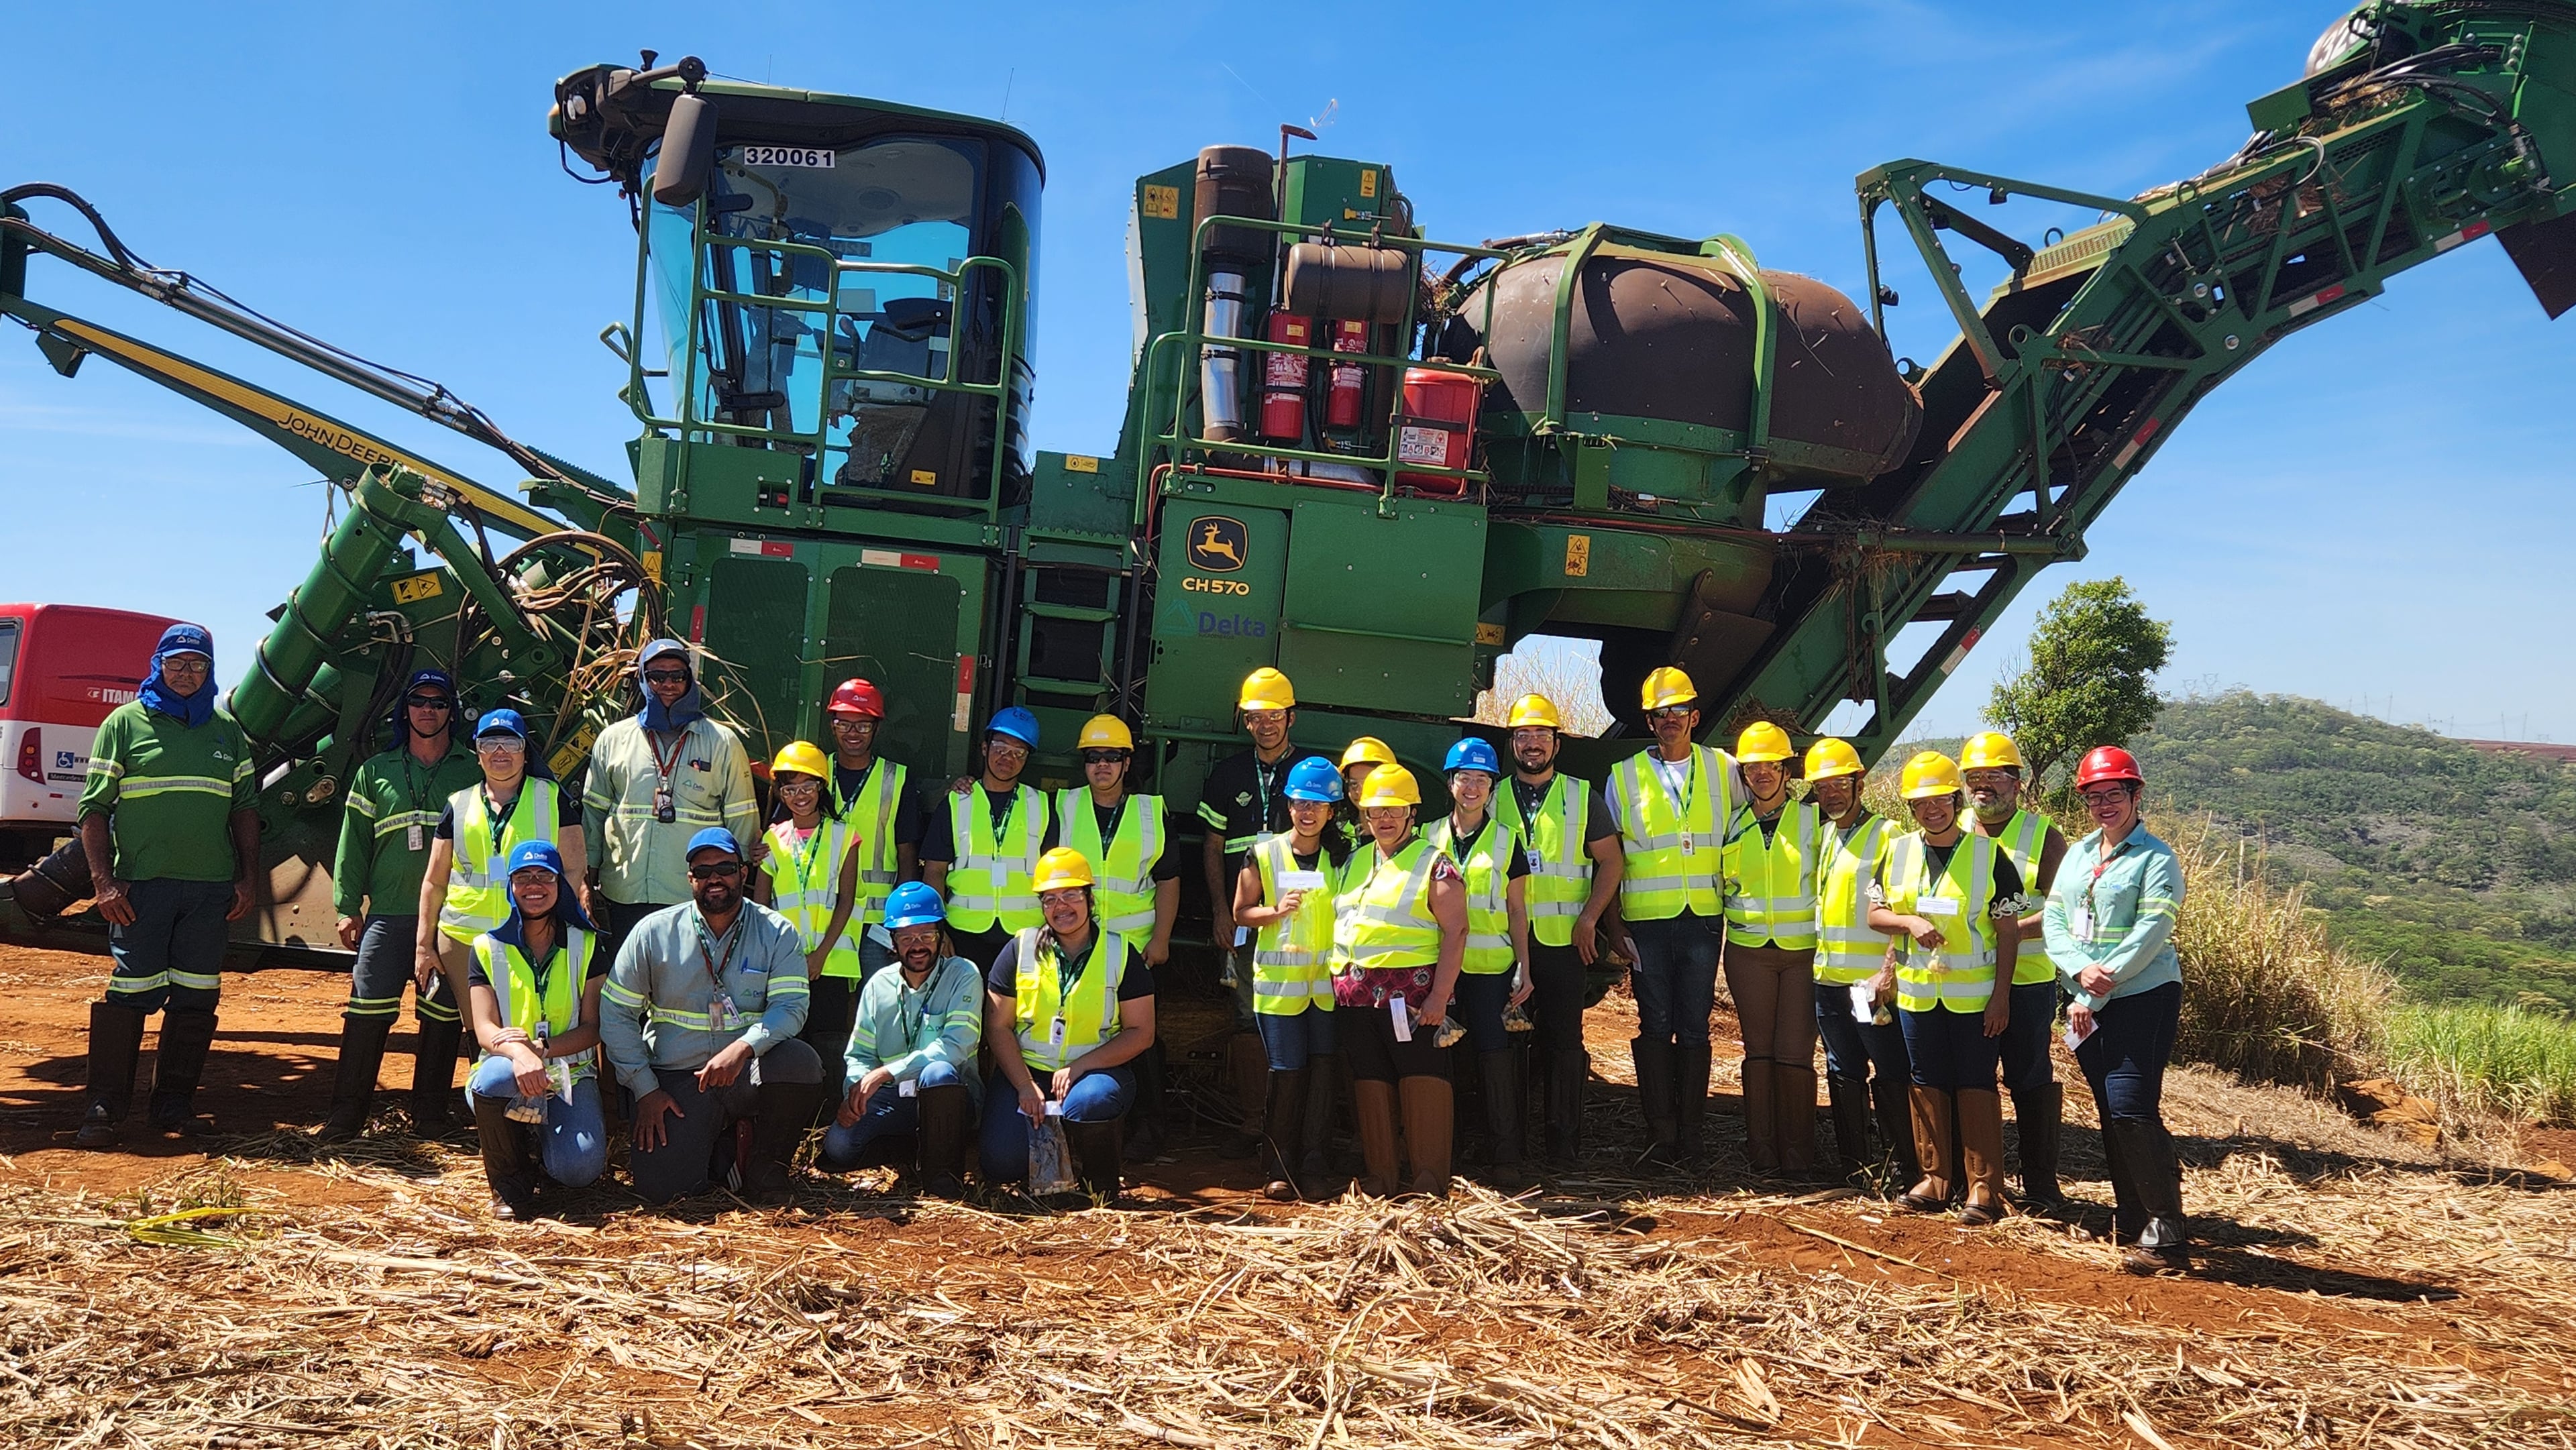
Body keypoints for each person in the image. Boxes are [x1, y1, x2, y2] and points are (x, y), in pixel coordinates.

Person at [72, 623, 259, 1148]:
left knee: (196, 998)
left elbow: (245, 809)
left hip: (209, 892)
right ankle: (105, 1107)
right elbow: (93, 810)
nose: (185, 673)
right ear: (158, 665)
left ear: (210, 671)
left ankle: (174, 1105)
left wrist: (248, 878)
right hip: (142, 890)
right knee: (130, 993)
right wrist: (104, 883)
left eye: (197, 665)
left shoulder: (226, 731)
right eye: (175, 663)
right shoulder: (124, 724)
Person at [599, 828, 824, 1204]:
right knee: (664, 1194)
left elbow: (791, 1007)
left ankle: (766, 1170)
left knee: (800, 1063)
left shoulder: (777, 932)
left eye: (725, 868)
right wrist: (645, 1089)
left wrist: (743, 1048)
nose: (714, 879)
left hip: (745, 1071)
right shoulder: (653, 933)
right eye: (703, 872)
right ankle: (728, 1149)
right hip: (678, 1079)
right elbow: (616, 1013)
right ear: (690, 879)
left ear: (743, 873)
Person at [2044, 746, 2190, 1274]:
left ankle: (2168, 1236)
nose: (2104, 805)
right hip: (2086, 998)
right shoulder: (2079, 855)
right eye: (2094, 796)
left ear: (2136, 794)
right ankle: (2133, 1214)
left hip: (2141, 997)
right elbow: (2054, 921)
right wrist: (2079, 971)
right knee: (2111, 1108)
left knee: (2131, 1106)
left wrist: (2091, 991)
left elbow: (2150, 934)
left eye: (2114, 794)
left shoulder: (2157, 859)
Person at [321, 668, 482, 1143]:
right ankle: (346, 1115)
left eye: (438, 702)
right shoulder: (376, 772)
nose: (428, 710)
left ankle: (429, 1115)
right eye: (419, 701)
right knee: (367, 1009)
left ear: (452, 712)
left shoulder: (472, 770)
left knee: (442, 1015)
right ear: (404, 710)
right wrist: (347, 906)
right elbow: (354, 845)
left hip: (451, 919)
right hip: (389, 915)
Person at [1868, 752, 2023, 1225]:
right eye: (1921, 803)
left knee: (1976, 1082)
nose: (1931, 810)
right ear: (1911, 808)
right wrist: (1909, 922)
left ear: (1956, 801)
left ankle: (1984, 1188)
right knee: (1926, 1080)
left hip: (1974, 998)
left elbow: (2009, 932)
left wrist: (2001, 996)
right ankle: (1934, 1179)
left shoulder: (1989, 856)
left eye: (1940, 800)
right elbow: (1875, 914)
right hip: (1918, 997)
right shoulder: (1896, 852)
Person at [415, 710, 582, 1132]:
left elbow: (574, 868)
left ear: (526, 751)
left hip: (531, 935)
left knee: (526, 1026)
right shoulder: (458, 804)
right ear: (477, 753)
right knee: (482, 1034)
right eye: (489, 743)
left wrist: (564, 924)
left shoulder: (551, 797)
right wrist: (424, 944)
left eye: (510, 742)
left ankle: (537, 1116)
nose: (500, 751)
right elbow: (434, 880)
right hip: (465, 940)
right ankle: (495, 1125)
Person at [1605, 666, 1737, 1166]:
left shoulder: (1724, 769)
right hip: (1647, 924)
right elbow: (1610, 857)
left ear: (1695, 716)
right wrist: (1614, 924)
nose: (1670, 719)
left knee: (1696, 1026)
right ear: (1649, 721)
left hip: (1702, 919)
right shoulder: (1623, 776)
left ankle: (1693, 1134)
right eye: (1660, 713)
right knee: (1655, 1023)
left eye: (1679, 710)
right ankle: (1660, 1133)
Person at [1491, 693, 1623, 1173]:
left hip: (1565, 943)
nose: (1533, 744)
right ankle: (1509, 1142)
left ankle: (1563, 1145)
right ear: (1512, 743)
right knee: (1507, 1043)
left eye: (1542, 735)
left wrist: (1590, 918)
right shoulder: (1491, 797)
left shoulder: (1582, 796)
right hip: (1508, 945)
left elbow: (1611, 861)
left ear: (1557, 744)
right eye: (1524, 735)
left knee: (1565, 1043)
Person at [981, 847, 1159, 1199]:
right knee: (1002, 1163)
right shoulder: (1019, 949)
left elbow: (1142, 1033)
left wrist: (1080, 1066)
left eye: (1071, 895)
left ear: (1090, 899)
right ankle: (1053, 1150)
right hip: (1029, 1072)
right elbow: (998, 1026)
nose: (1061, 907)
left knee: (1091, 1103)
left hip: (1094, 1074)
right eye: (1050, 899)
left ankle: (1099, 1182)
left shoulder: (1121, 952)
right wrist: (1024, 1084)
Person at [1332, 765, 1468, 1197]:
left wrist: (1440, 997)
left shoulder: (1435, 864)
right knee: (1371, 1080)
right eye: (1376, 811)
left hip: (1411, 1000)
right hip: (1356, 1000)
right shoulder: (1355, 861)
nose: (1385, 819)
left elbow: (1457, 931)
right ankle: (1381, 1179)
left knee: (1422, 1077)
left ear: (1412, 813)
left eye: (1395, 810)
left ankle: (1428, 1182)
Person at [1054, 714, 1180, 1158]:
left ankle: (1149, 1129)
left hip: (1135, 950)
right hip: (1080, 945)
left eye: (1112, 757)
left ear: (1127, 763)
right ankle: (1089, 1123)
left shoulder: (1151, 811)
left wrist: (1161, 939)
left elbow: (1168, 879)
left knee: (1141, 1038)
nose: (1102, 766)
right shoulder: (1063, 807)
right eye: (1093, 758)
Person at [462, 840, 609, 1219]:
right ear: (510, 885)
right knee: (491, 1081)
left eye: (545, 876)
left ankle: (540, 1145)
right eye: (523, 877)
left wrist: (540, 1050)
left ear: (560, 884)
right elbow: (484, 1027)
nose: (534, 885)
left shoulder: (587, 945)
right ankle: (509, 1185)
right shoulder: (486, 947)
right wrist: (520, 1054)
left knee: (579, 1169)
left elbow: (593, 1028)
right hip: (508, 1069)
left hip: (569, 1074)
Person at [583, 640, 759, 945]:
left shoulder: (722, 742)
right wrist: (587, 877)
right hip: (625, 892)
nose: (668, 684)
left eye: (677, 676)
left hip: (691, 895)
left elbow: (741, 817)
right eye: (657, 676)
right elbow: (593, 814)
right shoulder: (613, 740)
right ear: (643, 678)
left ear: (689, 680)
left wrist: (734, 885)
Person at [1961, 730, 2072, 1211]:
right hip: (1964, 983)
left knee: (2029, 1077)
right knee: (1971, 1079)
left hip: (2027, 982)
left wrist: (2008, 933)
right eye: (1974, 777)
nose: (1983, 785)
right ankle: (1978, 1181)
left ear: (2018, 782)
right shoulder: (1949, 827)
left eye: (1995, 776)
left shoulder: (2043, 837)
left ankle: (2042, 1184)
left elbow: (2065, 910)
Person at [1230, 755, 1349, 1199]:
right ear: (1289, 805)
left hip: (1328, 990)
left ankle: (1315, 1162)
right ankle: (1277, 1165)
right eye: (1301, 803)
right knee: (1286, 1071)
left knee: (1323, 1072)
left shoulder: (1344, 857)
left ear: (1332, 812)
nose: (1308, 812)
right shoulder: (1264, 853)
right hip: (1279, 990)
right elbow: (1241, 911)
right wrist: (1275, 912)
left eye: (1318, 805)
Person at [820, 882, 983, 1196]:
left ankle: (942, 1180)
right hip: (894, 1098)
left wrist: (886, 1073)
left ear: (941, 936)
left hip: (950, 1098)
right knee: (839, 1147)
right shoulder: (878, 985)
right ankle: (911, 1153)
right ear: (893, 942)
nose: (917, 946)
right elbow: (860, 1055)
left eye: (926, 936)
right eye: (907, 938)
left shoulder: (963, 974)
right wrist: (855, 1094)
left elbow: (956, 1045)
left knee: (939, 1073)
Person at [1197, 667, 1303, 1151]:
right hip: (1242, 917)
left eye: (1274, 716)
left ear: (1291, 718)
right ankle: (1254, 1120)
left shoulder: (1307, 772)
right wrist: (1221, 910)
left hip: (1296, 918)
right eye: (1257, 717)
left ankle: (1289, 1123)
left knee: (1296, 1012)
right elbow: (1213, 846)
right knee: (1245, 1013)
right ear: (1246, 722)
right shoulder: (1228, 773)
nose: (1266, 725)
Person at [1804, 737, 1917, 1190]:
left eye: (1839, 784)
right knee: (1842, 1069)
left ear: (1859, 783)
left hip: (1868, 986)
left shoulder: (1887, 835)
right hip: (1829, 979)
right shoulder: (1827, 835)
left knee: (1889, 1070)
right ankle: (1855, 1167)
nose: (1831, 794)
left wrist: (1888, 970)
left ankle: (1903, 1168)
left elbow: (1900, 907)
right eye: (1822, 787)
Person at [1426, 738, 1535, 1190]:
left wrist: (1524, 966)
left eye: (1482, 780)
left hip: (1490, 969)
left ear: (1492, 787)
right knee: (1442, 1057)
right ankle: (1444, 1151)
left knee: (1494, 1056)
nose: (1472, 787)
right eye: (1464, 778)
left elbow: (1517, 910)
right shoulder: (1427, 836)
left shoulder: (1508, 840)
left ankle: (1504, 1155)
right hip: (1439, 969)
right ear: (1450, 783)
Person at [1720, 721, 1823, 1180]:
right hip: (1748, 953)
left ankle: (1798, 1154)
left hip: (1802, 953)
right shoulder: (1731, 825)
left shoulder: (1812, 821)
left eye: (1771, 766)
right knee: (1758, 1050)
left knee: (1795, 1052)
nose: (1762, 774)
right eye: (1753, 767)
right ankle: (1762, 1151)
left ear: (1787, 770)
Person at [753, 741, 867, 1111]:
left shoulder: (845, 835)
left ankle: (829, 1118)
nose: (799, 796)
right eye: (790, 790)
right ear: (780, 793)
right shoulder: (773, 840)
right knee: (790, 1039)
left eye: (807, 787)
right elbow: (761, 906)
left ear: (821, 787)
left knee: (830, 1041)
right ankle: (794, 1118)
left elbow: (847, 900)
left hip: (831, 961)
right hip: (785, 963)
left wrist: (819, 955)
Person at [920, 706, 1049, 970]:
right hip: (962, 934)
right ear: (984, 748)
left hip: (1026, 937)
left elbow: (1054, 876)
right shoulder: (956, 802)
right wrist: (936, 929)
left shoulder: (1043, 805)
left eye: (1018, 752)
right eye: (1000, 747)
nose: (1008, 757)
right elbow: (935, 871)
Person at [823, 676, 920, 977]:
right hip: (822, 914)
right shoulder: (816, 772)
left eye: (863, 725)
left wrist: (901, 920)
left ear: (877, 728)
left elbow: (907, 856)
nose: (853, 733)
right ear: (832, 726)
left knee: (877, 997)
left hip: (876, 919)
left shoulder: (897, 779)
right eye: (844, 724)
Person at [1336, 736, 1397, 852]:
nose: (1360, 791)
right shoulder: (1339, 834)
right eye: (1354, 784)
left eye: (1369, 783)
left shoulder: (1413, 835)